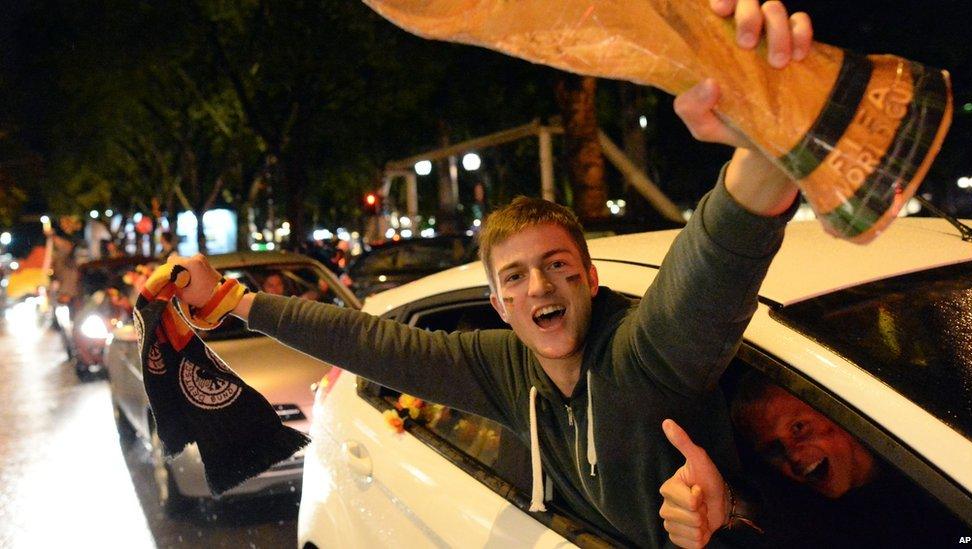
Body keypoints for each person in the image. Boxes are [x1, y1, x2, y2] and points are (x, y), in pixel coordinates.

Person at [168, 2, 811, 545]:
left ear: (589, 278)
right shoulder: (504, 370)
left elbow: (715, 260)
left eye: (558, 266)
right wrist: (232, 298)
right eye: (515, 277)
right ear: (500, 304)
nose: (538, 287)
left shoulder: (645, 354)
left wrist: (773, 133)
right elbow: (368, 342)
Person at [658, 372, 972, 547]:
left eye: (799, 428)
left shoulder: (932, 445)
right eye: (774, 450)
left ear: (838, 411)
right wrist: (729, 506)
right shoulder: (819, 515)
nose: (793, 457)